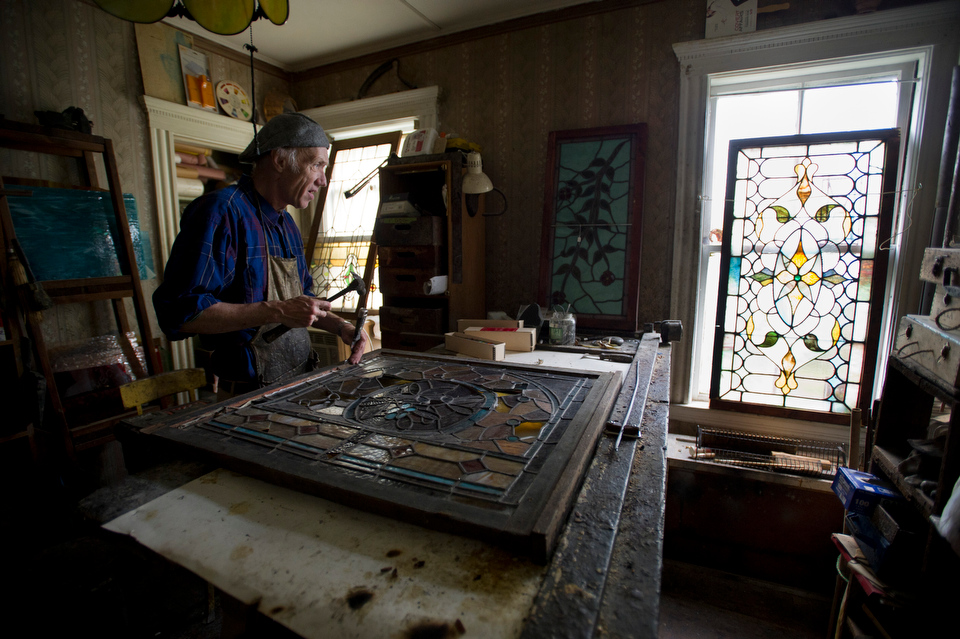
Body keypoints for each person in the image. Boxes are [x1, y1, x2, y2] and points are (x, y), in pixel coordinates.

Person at [153, 113, 367, 398]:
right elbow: (180, 313)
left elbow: (305, 302)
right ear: (279, 161)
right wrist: (277, 310)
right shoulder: (221, 212)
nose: (323, 180)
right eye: (316, 165)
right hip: (246, 399)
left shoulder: (286, 224)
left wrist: (342, 326)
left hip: (296, 386)